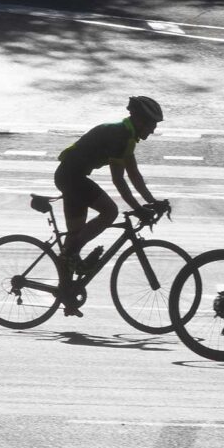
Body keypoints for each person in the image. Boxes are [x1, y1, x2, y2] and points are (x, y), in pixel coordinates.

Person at [54, 96, 165, 315]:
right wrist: (138, 207)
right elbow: (119, 179)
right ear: (141, 120)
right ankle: (71, 256)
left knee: (74, 236)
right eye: (152, 124)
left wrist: (151, 201)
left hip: (71, 176)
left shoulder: (128, 136)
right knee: (110, 211)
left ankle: (66, 293)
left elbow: (134, 174)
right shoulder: (119, 135)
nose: (152, 130)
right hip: (71, 177)